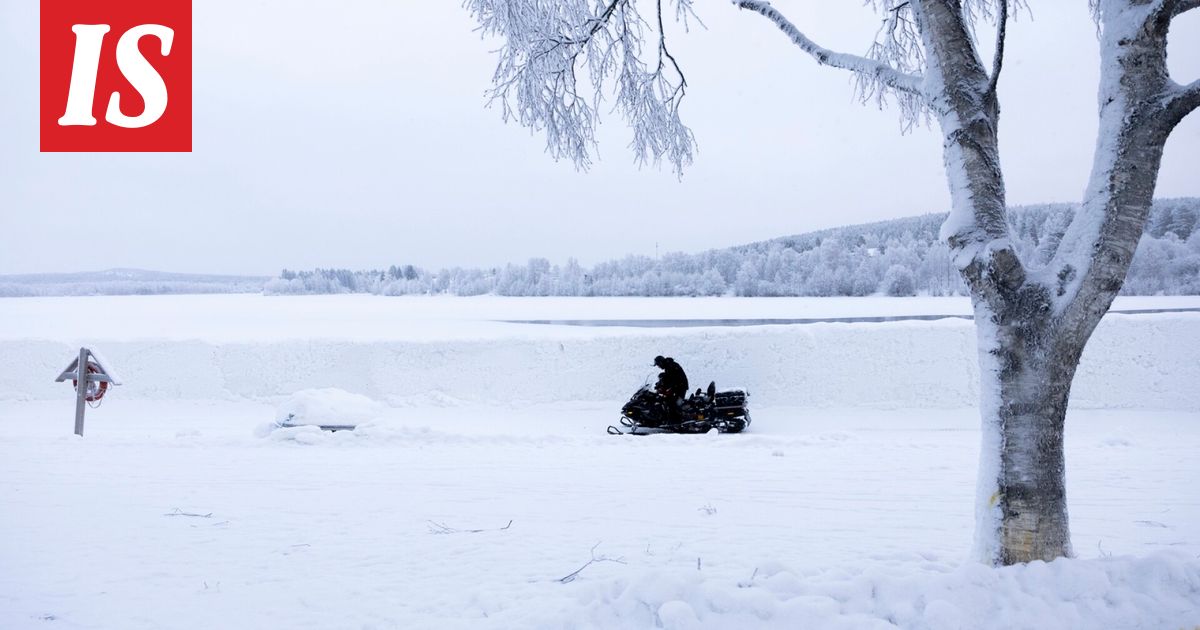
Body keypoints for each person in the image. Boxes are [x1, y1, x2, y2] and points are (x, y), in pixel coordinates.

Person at [653, 355, 689, 422]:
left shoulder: (670, 366)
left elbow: (672, 379)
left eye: (658, 365)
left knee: (673, 403)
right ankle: (669, 419)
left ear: (661, 362)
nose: (659, 367)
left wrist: (665, 387)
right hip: (678, 386)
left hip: (680, 387)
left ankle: (676, 421)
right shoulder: (668, 365)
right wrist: (659, 384)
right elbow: (668, 378)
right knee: (667, 400)